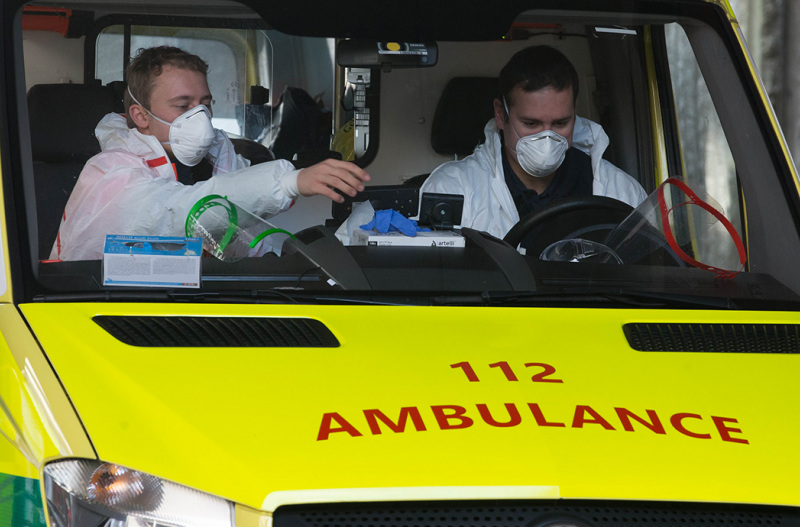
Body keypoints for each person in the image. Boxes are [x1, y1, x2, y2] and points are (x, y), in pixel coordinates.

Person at [50, 46, 369, 261]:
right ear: (141, 116)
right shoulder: (110, 170)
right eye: (183, 105)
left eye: (206, 102)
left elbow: (247, 229)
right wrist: (286, 182)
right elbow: (171, 214)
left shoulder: (219, 155)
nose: (200, 116)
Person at [419, 45, 647, 240]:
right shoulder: (453, 190)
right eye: (531, 124)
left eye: (560, 123)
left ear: (574, 113)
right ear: (501, 114)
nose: (547, 138)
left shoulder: (620, 192)